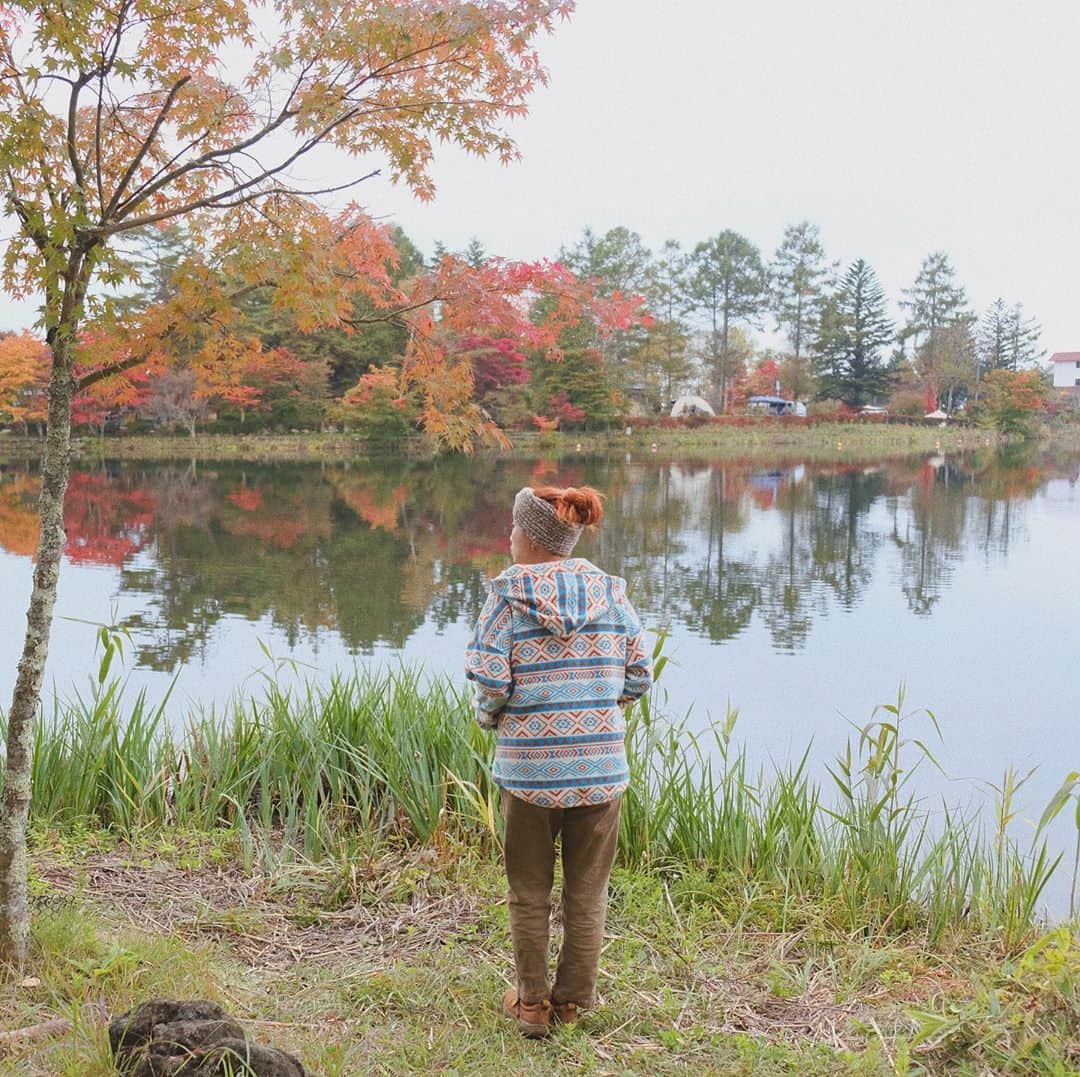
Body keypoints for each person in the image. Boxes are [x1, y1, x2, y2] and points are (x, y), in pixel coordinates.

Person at [465, 484, 653, 1038]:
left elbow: (492, 683)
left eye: (514, 528)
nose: (509, 536)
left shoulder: (505, 598)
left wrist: (490, 715)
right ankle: (571, 1002)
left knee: (528, 891)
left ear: (532, 537)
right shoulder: (611, 594)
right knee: (586, 893)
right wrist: (603, 708)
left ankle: (531, 1007)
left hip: (528, 771)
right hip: (600, 770)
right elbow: (640, 675)